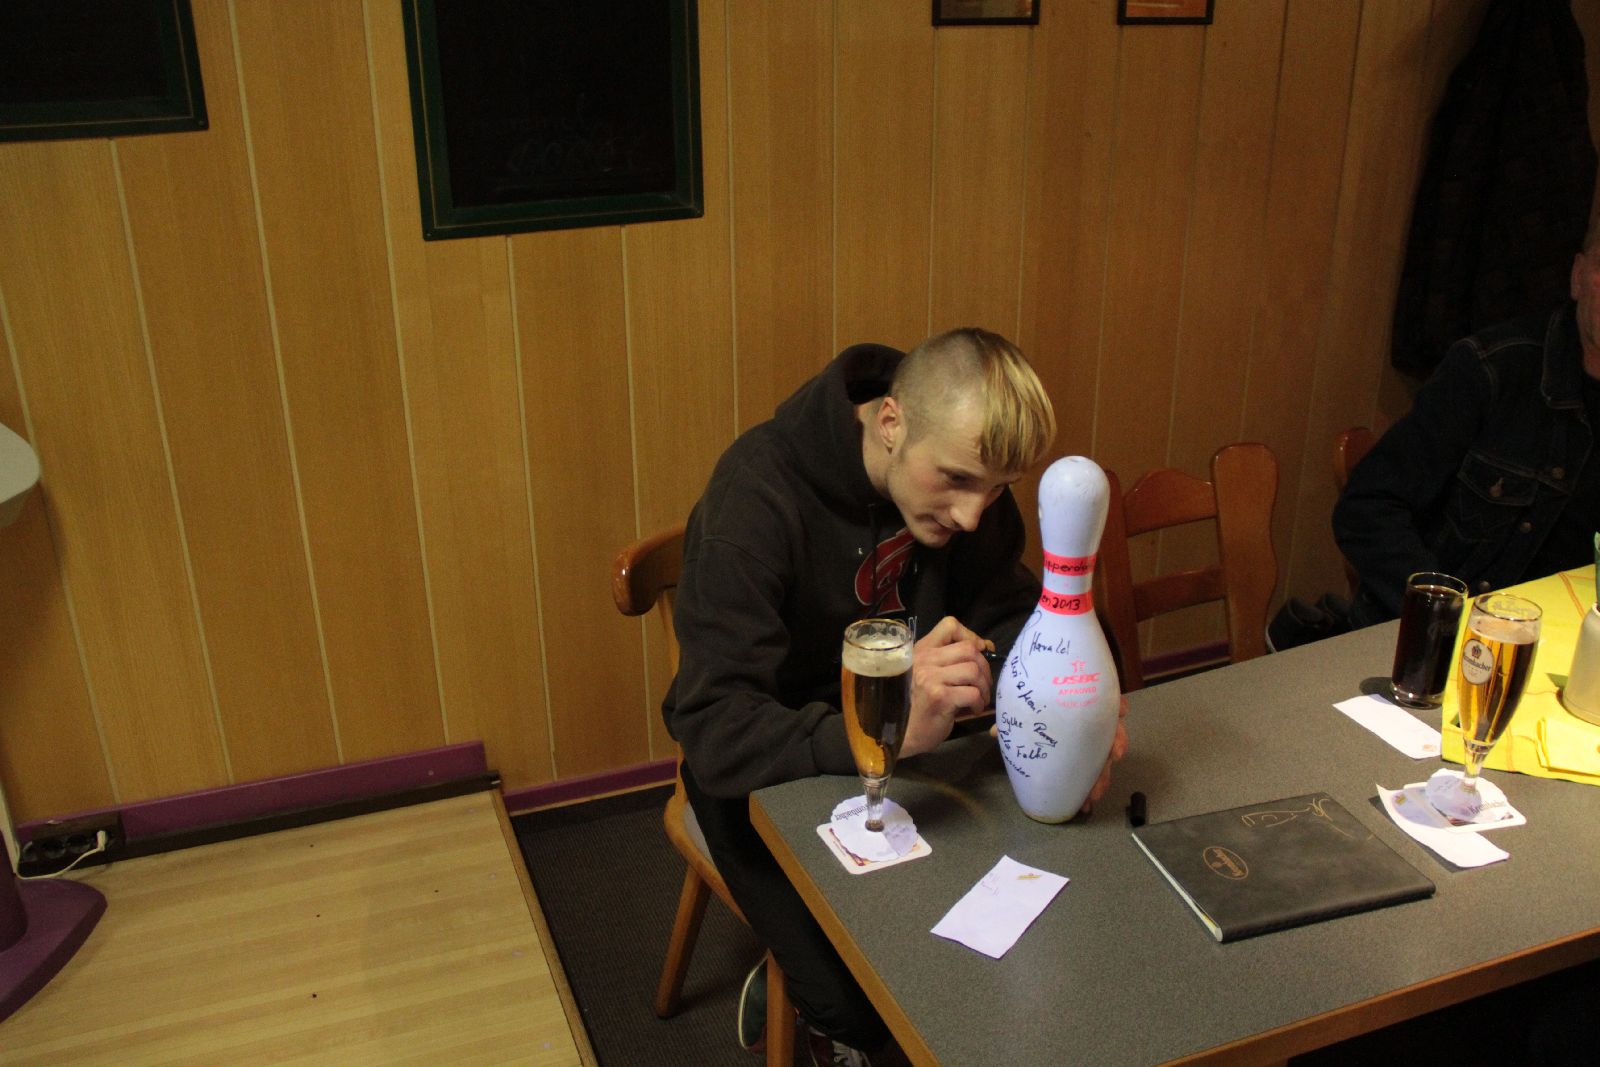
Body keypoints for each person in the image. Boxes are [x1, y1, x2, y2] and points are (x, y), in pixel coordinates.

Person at [663, 327, 1128, 1066]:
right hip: (765, 770)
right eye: (956, 479)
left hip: (911, 755)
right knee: (868, 1005)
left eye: (996, 488)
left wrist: (1076, 701)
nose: (972, 515)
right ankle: (814, 1011)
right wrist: (879, 725)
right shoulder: (755, 497)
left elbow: (1013, 611)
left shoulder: (970, 497)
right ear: (890, 422)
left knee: (1064, 910)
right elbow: (715, 729)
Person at [1333, 226, 1600, 630]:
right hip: (1449, 634)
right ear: (1578, 277)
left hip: (1570, 635)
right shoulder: (1491, 369)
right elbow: (1367, 507)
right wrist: (1446, 614)